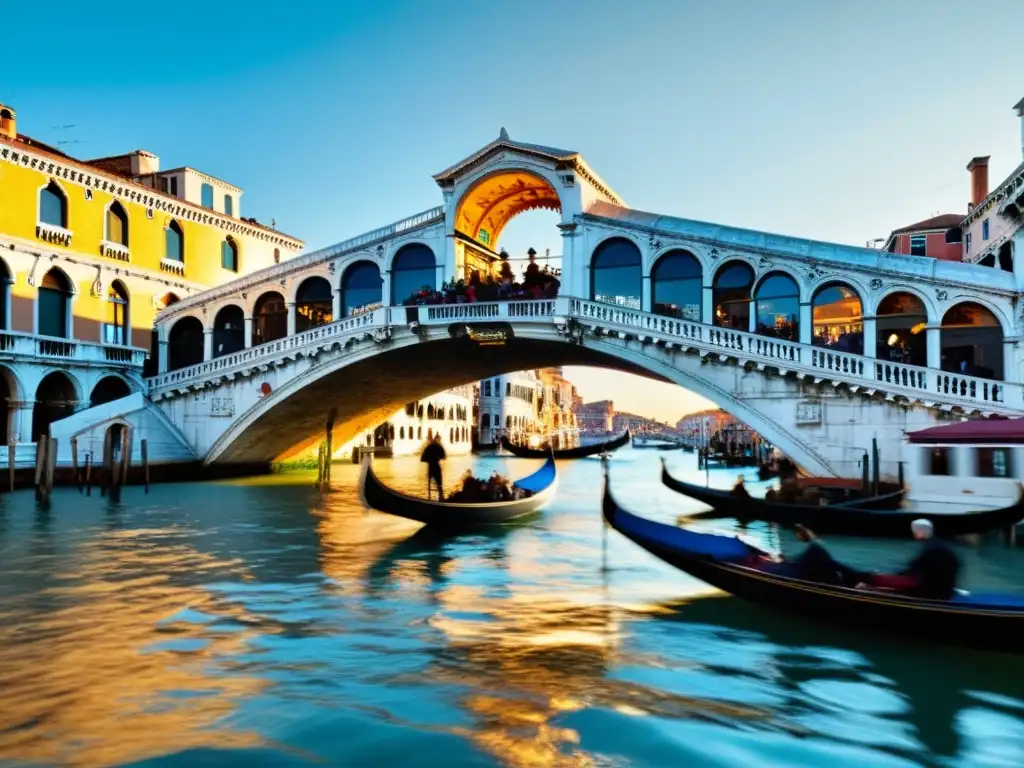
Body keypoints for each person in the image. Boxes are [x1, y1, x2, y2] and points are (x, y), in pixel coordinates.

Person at [860, 519, 960, 599]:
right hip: (946, 587)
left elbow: (914, 568)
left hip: (933, 591)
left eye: (915, 531)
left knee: (878, 581)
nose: (914, 534)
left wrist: (891, 576)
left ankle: (867, 588)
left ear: (920, 532)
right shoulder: (938, 544)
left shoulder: (931, 549)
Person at [420, 435, 446, 499]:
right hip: (436, 467)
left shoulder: (429, 447)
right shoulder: (439, 446)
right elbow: (444, 456)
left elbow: (423, 458)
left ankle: (429, 498)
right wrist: (438, 457)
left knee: (429, 486)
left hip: (430, 467)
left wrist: (429, 460)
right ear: (438, 440)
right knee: (439, 485)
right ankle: (441, 498)